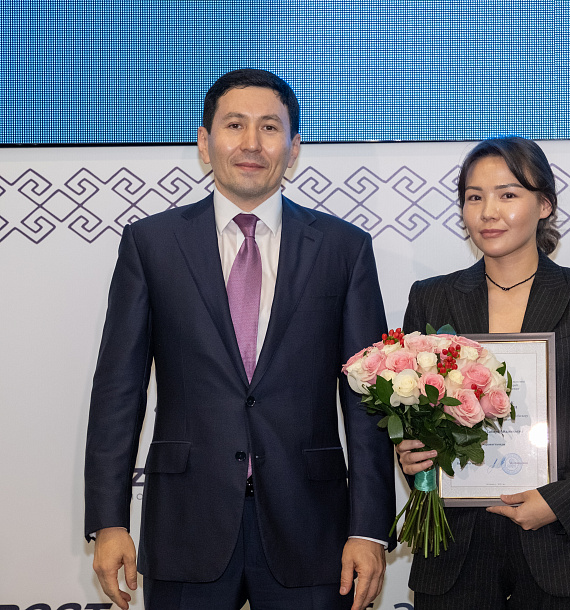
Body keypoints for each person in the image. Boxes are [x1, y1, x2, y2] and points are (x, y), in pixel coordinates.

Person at [85, 68, 396, 610]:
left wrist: (369, 528)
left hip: (312, 527)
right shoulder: (151, 244)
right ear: (204, 143)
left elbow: (367, 399)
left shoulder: (343, 248)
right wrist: (109, 521)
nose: (252, 143)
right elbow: (119, 390)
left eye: (270, 128)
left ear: (293, 149)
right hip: (186, 524)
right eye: (234, 125)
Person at [397, 137, 570, 609]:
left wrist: (558, 502)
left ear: (545, 205)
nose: (488, 212)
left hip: (563, 544)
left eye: (508, 194)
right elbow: (414, 414)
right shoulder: (431, 297)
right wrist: (410, 452)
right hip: (457, 545)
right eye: (474, 197)